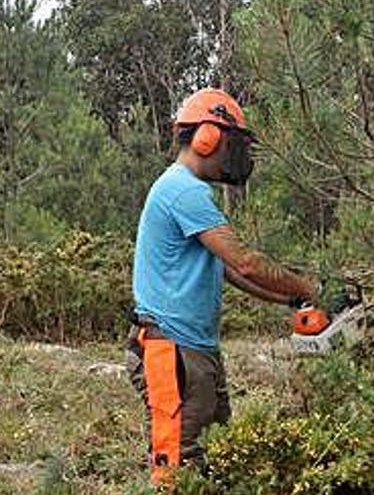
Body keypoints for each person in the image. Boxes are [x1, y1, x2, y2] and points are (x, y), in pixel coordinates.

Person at [125, 88, 316, 484]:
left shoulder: (191, 193)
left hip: (195, 351)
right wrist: (310, 287)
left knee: (219, 459)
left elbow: (232, 272)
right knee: (178, 466)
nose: (236, 155)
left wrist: (292, 298)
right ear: (207, 138)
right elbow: (244, 260)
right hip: (172, 351)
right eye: (232, 143)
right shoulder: (183, 190)